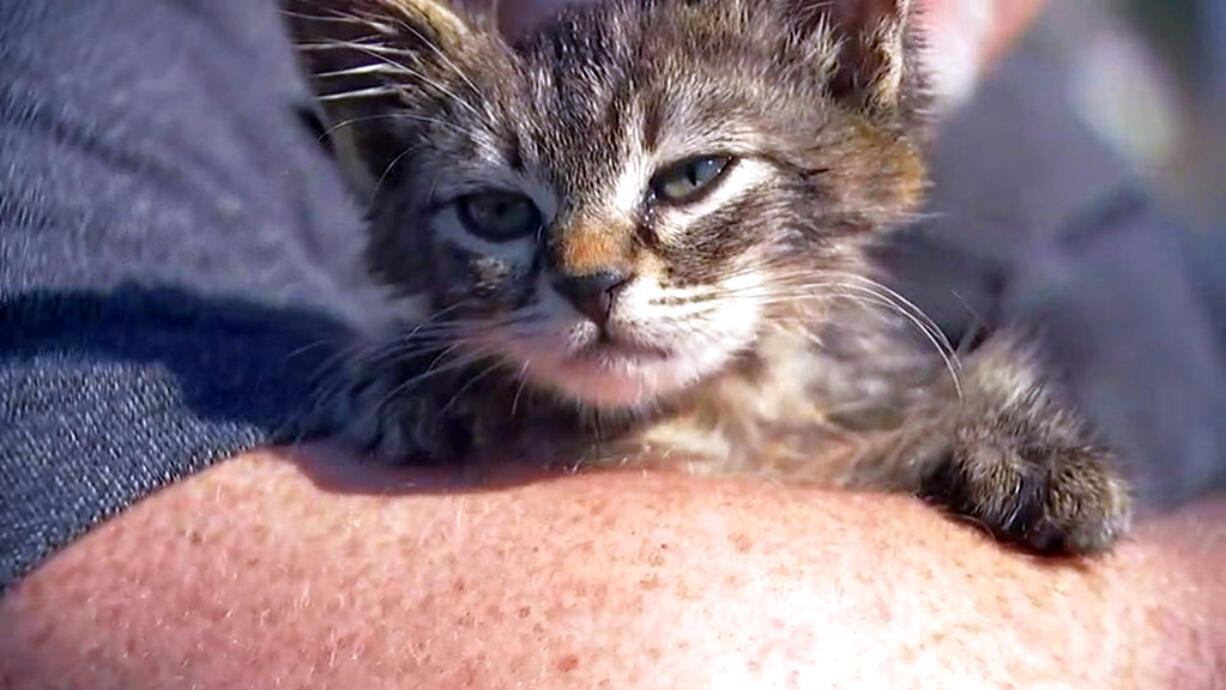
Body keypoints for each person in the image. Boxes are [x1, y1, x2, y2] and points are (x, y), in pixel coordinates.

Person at [1, 0, 1221, 687]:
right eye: (495, 210)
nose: (594, 271)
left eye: (688, 179)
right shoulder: (104, 74)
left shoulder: (1046, 169)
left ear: (855, 64)